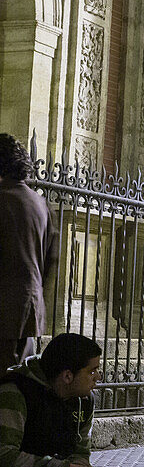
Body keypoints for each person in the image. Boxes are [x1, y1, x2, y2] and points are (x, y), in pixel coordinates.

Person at [0, 334, 143, 467]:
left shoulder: (84, 400)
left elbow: (81, 447)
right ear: (67, 376)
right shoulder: (16, 392)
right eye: (91, 371)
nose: (98, 377)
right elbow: (5, 455)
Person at [0, 133, 58, 371]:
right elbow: (51, 260)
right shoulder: (40, 203)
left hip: (4, 308)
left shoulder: (3, 200)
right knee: (21, 378)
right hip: (31, 307)